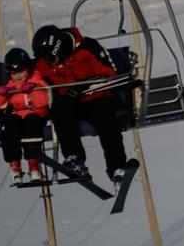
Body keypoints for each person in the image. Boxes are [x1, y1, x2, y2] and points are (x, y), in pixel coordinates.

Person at [31, 25, 128, 188]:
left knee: (104, 118)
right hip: (70, 102)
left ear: (59, 49)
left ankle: (117, 168)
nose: (50, 62)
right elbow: (32, 81)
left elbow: (110, 72)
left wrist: (83, 86)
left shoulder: (87, 48)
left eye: (51, 58)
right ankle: (74, 158)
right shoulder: (43, 63)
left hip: (97, 96)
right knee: (58, 110)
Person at [0, 48, 49, 185]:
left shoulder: (38, 79)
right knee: (10, 127)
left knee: (30, 124)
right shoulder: (11, 86)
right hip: (18, 114)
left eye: (21, 71)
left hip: (36, 113)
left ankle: (34, 165)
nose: (18, 76)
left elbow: (43, 102)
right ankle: (15, 166)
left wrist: (33, 90)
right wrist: (2, 94)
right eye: (14, 73)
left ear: (28, 69)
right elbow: (1, 106)